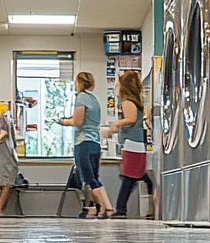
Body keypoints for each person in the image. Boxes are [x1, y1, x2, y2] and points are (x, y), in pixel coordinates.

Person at [59, 71, 113, 219]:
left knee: (89, 178)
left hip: (83, 142)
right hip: (96, 143)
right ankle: (100, 209)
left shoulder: (81, 97)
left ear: (80, 83)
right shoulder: (94, 99)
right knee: (94, 176)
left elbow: (77, 121)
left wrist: (63, 122)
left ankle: (108, 207)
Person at [106, 70, 154, 219]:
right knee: (139, 176)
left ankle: (121, 209)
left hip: (132, 143)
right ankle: (154, 203)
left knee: (129, 177)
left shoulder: (127, 102)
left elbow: (131, 119)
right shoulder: (136, 101)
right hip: (137, 143)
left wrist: (116, 124)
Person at [0, 112, 19, 216]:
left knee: (6, 183)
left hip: (6, 158)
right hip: (8, 157)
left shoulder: (2, 118)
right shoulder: (8, 119)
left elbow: (3, 134)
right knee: (4, 183)